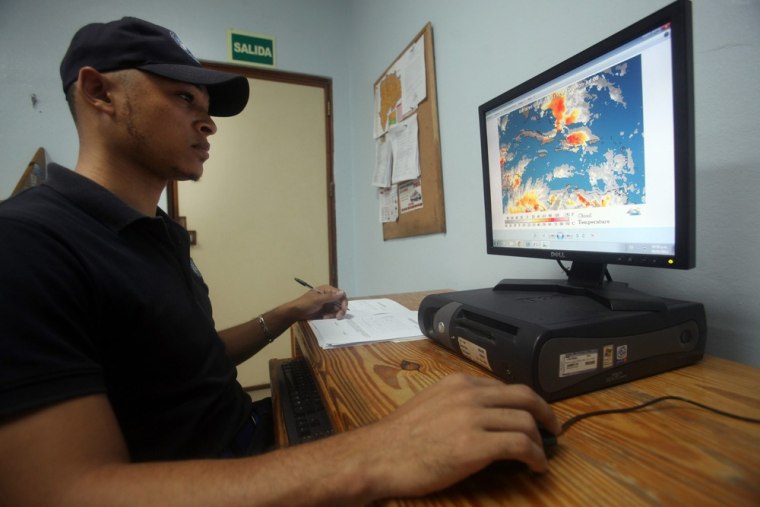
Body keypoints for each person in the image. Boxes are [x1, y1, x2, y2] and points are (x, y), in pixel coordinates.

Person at [0, 17, 561, 506]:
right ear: (99, 93)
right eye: (182, 98)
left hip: (249, 440)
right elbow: (59, 494)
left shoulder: (154, 234)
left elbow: (186, 363)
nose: (208, 121)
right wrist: (377, 452)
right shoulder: (28, 243)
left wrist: (295, 310)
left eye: (206, 106)